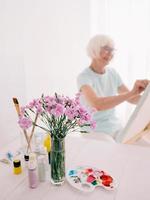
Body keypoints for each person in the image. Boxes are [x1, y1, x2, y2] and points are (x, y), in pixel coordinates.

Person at [77, 34, 149, 140]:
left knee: (142, 143)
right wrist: (132, 92)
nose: (111, 54)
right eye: (106, 49)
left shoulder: (112, 73)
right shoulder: (84, 77)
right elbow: (97, 104)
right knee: (118, 152)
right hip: (95, 130)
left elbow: (132, 98)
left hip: (115, 127)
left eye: (112, 50)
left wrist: (147, 95)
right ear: (94, 49)